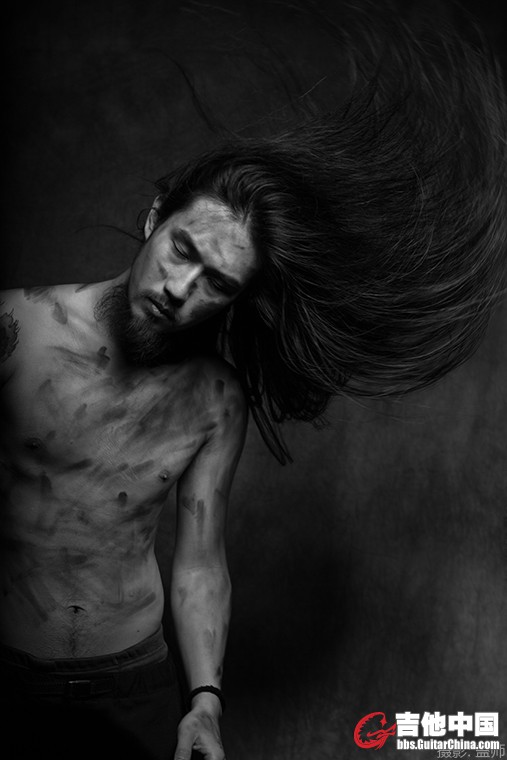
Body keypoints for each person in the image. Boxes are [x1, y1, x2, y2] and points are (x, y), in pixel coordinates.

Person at [1, 6, 506, 760]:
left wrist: (204, 703)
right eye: (182, 251)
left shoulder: (214, 402)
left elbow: (200, 561)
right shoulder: (16, 331)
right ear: (154, 217)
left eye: (217, 282)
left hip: (131, 683)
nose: (181, 290)